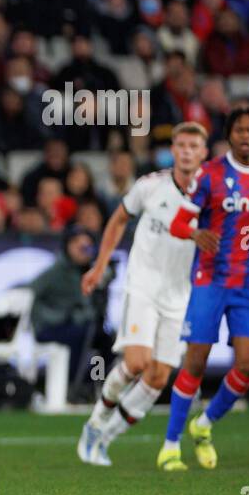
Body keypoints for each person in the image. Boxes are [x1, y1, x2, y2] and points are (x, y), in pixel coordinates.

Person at [160, 106, 249, 471]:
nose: (246, 136)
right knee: (195, 362)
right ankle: (170, 445)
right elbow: (178, 223)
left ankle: (204, 425)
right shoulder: (210, 175)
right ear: (229, 135)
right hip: (210, 281)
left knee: (248, 367)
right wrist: (194, 232)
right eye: (239, 130)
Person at [76, 122, 210, 466]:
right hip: (143, 284)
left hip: (178, 294)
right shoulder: (150, 186)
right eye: (181, 145)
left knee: (159, 376)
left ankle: (107, 438)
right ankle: (94, 423)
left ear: (204, 153)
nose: (186, 151)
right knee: (136, 362)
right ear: (173, 149)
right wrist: (99, 264)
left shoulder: (211, 198)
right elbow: (118, 220)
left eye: (194, 146)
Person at [29, 227, 112, 390]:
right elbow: (29, 293)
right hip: (52, 327)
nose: (83, 251)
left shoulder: (92, 272)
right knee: (81, 336)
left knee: (104, 340)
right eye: (78, 246)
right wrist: (50, 316)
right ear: (67, 246)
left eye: (87, 247)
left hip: (81, 325)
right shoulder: (56, 272)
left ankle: (94, 381)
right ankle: (70, 384)